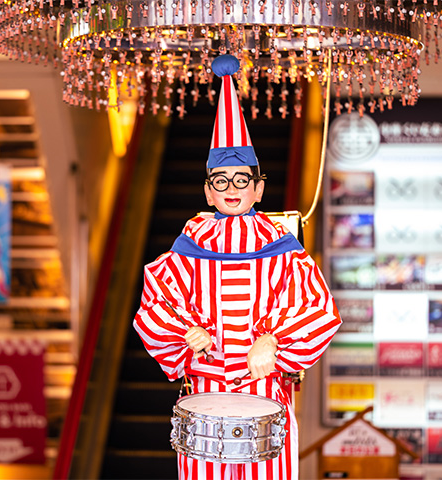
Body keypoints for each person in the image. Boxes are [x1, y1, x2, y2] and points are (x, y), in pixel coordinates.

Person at [133, 54, 342, 480]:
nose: (232, 189)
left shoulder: (283, 248)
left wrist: (274, 341)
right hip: (204, 393)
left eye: (241, 179)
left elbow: (317, 306)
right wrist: (183, 328)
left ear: (259, 187)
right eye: (221, 182)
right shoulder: (188, 245)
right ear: (208, 191)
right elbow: (156, 302)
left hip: (266, 393)